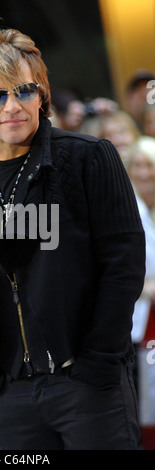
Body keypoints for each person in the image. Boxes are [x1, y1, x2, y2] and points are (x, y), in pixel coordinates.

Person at [0, 16, 145, 450]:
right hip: (10, 395)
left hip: (87, 384)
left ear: (41, 95)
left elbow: (123, 263)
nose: (12, 105)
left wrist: (98, 362)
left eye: (23, 91)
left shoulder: (89, 157)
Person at [124, 137, 155, 450]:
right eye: (137, 166)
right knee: (146, 405)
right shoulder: (126, 209)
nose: (144, 173)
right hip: (140, 322)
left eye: (150, 165)